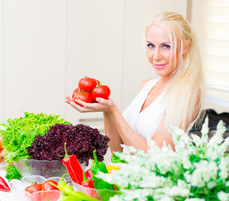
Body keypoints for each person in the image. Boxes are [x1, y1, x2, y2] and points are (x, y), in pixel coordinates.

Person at [65, 11, 204, 153]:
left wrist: (113, 111)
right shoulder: (147, 85)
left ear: (185, 47)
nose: (155, 56)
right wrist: (107, 110)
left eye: (166, 46)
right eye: (151, 45)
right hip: (125, 174)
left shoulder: (188, 94)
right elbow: (117, 151)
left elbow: (154, 156)